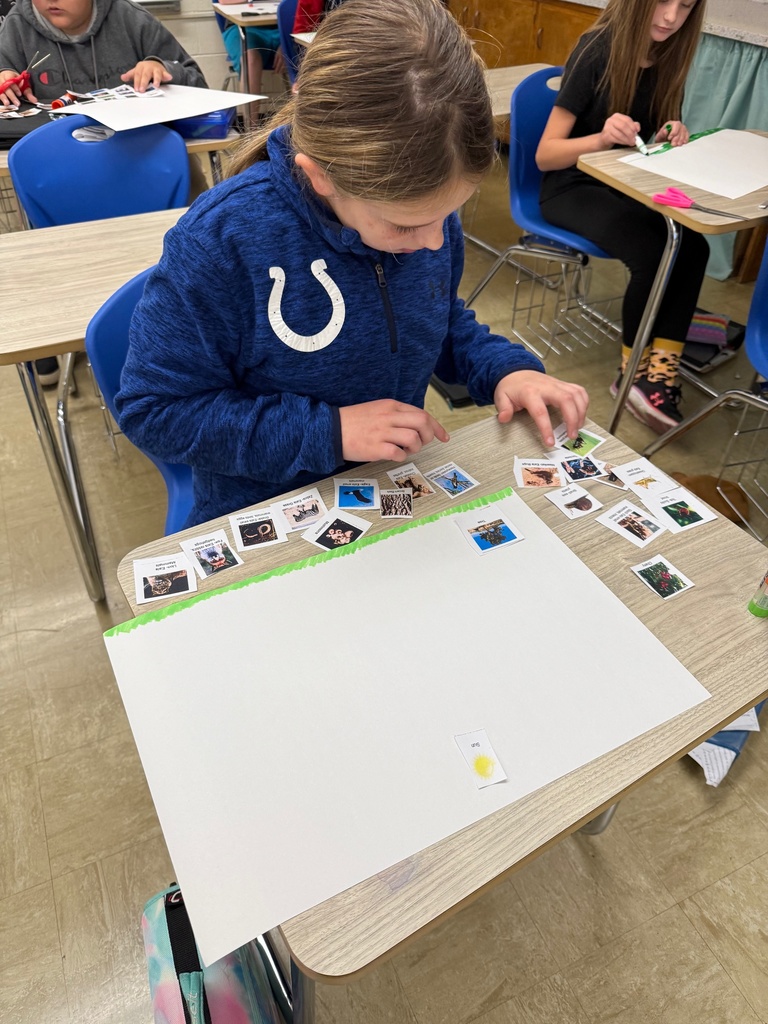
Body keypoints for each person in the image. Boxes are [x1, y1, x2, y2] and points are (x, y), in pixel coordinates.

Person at [115, 0, 589, 529]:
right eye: (405, 226)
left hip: (390, 490)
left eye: (449, 215)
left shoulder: (422, 211)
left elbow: (435, 318)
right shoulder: (221, 241)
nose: (435, 242)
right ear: (321, 177)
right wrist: (329, 432)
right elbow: (155, 411)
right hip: (270, 512)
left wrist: (506, 369)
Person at [0, 0, 209, 385]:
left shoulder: (132, 20)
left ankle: (186, 314)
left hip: (140, 167)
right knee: (38, 250)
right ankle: (51, 334)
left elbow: (197, 82)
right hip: (63, 180)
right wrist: (4, 81)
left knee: (192, 227)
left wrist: (164, 69)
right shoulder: (16, 26)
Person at [536, 0, 710, 434]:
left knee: (694, 246)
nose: (671, 17)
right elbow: (545, 155)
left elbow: (649, 139)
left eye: (685, 6)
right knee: (652, 252)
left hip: (620, 185)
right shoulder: (597, 49)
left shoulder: (668, 55)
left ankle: (660, 369)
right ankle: (631, 373)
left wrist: (669, 135)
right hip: (569, 187)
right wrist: (600, 138)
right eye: (662, 2)